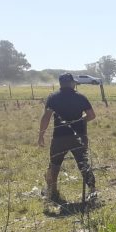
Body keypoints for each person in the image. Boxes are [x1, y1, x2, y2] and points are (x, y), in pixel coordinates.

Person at [37, 73, 97, 202]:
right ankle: (92, 191)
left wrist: (41, 135)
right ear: (71, 83)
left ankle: (52, 191)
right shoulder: (81, 97)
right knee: (84, 164)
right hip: (79, 137)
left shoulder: (53, 97)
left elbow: (46, 117)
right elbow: (92, 115)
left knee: (55, 165)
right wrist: (82, 121)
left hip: (59, 138)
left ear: (60, 83)